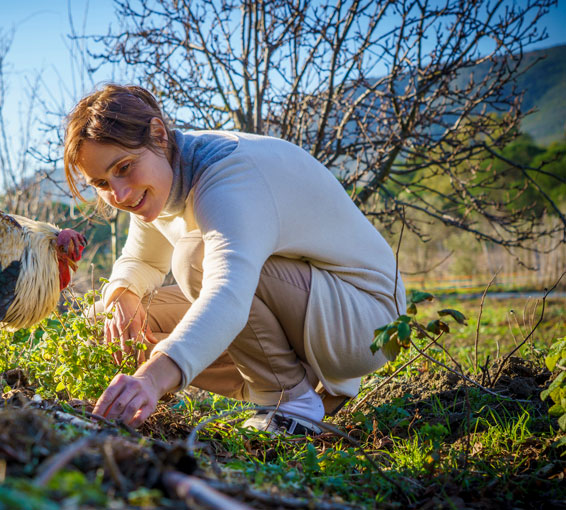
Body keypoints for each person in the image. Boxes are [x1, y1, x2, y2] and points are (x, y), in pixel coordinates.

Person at [62, 84, 406, 434]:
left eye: (124, 167)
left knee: (195, 257)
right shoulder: (157, 177)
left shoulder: (226, 176)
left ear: (158, 134)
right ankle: (305, 387)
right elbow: (144, 262)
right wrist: (122, 295)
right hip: (307, 309)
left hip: (367, 322)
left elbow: (228, 291)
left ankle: (289, 400)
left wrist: (153, 377)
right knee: (106, 320)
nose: (118, 194)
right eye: (102, 182)